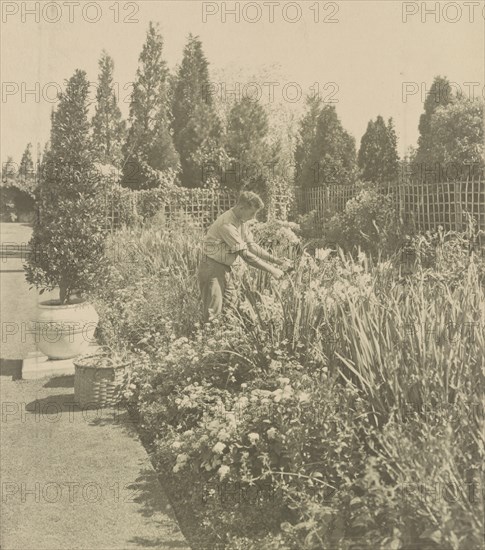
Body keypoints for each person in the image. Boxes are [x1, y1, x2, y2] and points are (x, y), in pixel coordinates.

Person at [198, 191, 292, 322]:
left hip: (225, 268)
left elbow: (252, 247)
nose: (253, 217)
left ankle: (223, 339)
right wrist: (272, 270)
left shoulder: (241, 221)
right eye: (252, 213)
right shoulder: (227, 224)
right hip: (212, 268)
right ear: (241, 208)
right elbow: (245, 255)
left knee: (230, 308)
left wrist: (276, 261)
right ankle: (205, 339)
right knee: (212, 314)